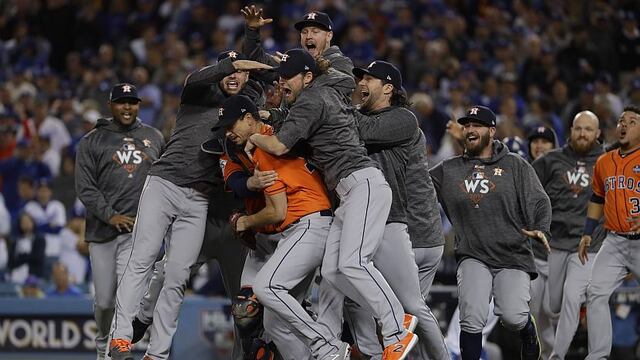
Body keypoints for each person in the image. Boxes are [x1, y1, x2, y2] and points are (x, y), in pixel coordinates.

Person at [246, 48, 417, 359]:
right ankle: (366, 330)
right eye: (280, 77)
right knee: (335, 274)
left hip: (363, 182)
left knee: (353, 263)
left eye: (289, 77)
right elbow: (339, 80)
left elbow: (280, 146)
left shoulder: (312, 98)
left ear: (307, 77)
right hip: (349, 192)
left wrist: (254, 135)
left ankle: (397, 328)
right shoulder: (324, 92)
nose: (282, 83)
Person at [108, 57, 270, 360]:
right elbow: (195, 79)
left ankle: (157, 354)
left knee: (178, 276)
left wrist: (254, 51)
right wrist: (232, 64)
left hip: (199, 201)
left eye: (242, 73)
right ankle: (121, 337)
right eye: (230, 71)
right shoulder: (198, 95)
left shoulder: (245, 111)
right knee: (142, 258)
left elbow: (266, 90)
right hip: (164, 184)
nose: (235, 77)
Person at [215, 94, 349, 360]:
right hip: (302, 227)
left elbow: (277, 211)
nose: (229, 133)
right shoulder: (268, 140)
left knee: (266, 288)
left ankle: (328, 345)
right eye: (225, 128)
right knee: (275, 324)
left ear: (250, 119)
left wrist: (245, 222)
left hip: (309, 224)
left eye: (233, 125)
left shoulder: (265, 146)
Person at [335, 60, 448, 360]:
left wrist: (331, 95)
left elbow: (361, 130)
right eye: (360, 78)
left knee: (411, 307)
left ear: (387, 88)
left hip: (401, 226)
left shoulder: (402, 118)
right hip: (372, 220)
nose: (361, 83)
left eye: (369, 79)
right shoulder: (362, 114)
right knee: (356, 297)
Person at [430, 105, 552, 360]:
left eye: (477, 125)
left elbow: (540, 201)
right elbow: (418, 186)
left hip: (512, 254)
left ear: (491, 131)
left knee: (513, 316)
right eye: (467, 125)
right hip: (473, 254)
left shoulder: (515, 165)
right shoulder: (449, 169)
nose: (470, 129)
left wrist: (541, 228)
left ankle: (528, 332)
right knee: (471, 315)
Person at [75, 83, 165, 360]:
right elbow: (85, 187)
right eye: (122, 102)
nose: (128, 107)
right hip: (102, 232)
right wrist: (110, 214)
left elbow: (163, 181)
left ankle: (115, 348)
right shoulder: (92, 140)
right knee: (104, 302)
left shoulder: (154, 136)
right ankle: (103, 340)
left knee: (126, 298)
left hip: (136, 232)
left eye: (133, 102)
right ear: (111, 105)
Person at [531, 111, 606, 360]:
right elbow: (525, 186)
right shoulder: (551, 160)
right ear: (570, 130)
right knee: (553, 307)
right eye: (578, 128)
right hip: (556, 244)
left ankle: (556, 356)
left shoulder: (606, 162)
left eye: (588, 129)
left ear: (597, 134)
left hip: (588, 244)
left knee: (572, 297)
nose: (582, 133)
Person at [578, 105, 640, 359]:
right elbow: (597, 197)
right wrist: (587, 232)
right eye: (621, 120)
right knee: (595, 294)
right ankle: (598, 356)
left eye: (633, 121)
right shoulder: (604, 161)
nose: (624, 125)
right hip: (613, 241)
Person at [242, 6, 353, 77]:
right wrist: (252, 30)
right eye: (304, 32)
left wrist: (296, 69)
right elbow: (254, 57)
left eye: (315, 32)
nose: (308, 36)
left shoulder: (342, 62)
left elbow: (340, 85)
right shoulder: (293, 61)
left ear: (329, 36)